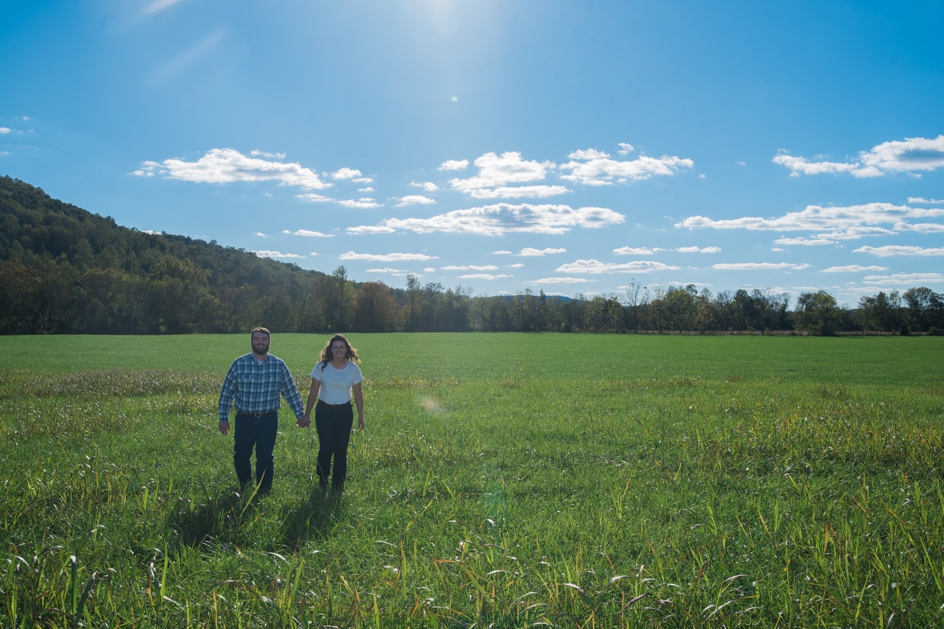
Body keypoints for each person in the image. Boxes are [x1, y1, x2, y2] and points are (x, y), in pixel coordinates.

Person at [218, 327, 306, 495]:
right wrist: (223, 418)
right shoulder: (239, 364)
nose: (260, 342)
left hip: (268, 419)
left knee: (265, 456)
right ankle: (245, 485)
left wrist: (300, 415)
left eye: (263, 339)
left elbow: (290, 391)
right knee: (241, 455)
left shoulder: (278, 365)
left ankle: (264, 491)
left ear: (269, 342)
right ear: (251, 341)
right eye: (257, 339)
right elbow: (226, 393)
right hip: (244, 419)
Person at [300, 334, 364, 492]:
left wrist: (361, 416)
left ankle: (338, 485)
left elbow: (358, 394)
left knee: (341, 451)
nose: (338, 350)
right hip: (324, 412)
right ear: (330, 349)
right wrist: (306, 414)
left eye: (341, 347)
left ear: (346, 349)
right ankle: (322, 480)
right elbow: (314, 391)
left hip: (344, 413)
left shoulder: (353, 369)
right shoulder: (321, 367)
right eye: (335, 347)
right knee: (326, 448)